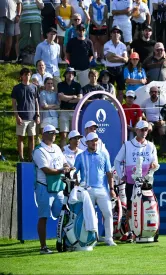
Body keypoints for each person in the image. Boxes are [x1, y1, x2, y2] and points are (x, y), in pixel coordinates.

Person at [113, 120, 158, 242]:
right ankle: (128, 232)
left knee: (149, 206)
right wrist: (122, 175)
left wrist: (154, 164)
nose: (144, 132)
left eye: (146, 130)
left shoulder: (151, 145)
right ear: (136, 130)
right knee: (130, 208)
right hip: (131, 182)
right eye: (142, 130)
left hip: (146, 183)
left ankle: (150, 231)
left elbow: (155, 162)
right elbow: (117, 161)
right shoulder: (127, 145)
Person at [33, 125, 72, 254]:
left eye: (55, 133)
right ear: (44, 135)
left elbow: (64, 161)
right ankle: (43, 247)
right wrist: (61, 170)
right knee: (43, 217)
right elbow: (46, 170)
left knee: (64, 215)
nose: (54, 135)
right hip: (44, 188)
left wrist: (66, 166)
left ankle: (64, 242)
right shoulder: (38, 150)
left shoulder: (56, 148)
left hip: (58, 187)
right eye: (51, 133)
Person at [74, 132, 117, 246]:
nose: (94, 143)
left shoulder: (104, 155)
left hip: (102, 189)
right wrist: (78, 185)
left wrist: (111, 189)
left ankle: (109, 238)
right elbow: (74, 172)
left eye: (96, 140)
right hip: (87, 190)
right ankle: (93, 239)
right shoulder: (81, 156)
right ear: (87, 143)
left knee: (108, 213)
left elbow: (108, 173)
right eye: (92, 141)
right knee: (90, 215)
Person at [12, 68, 40, 162]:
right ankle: (21, 157)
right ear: (21, 76)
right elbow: (14, 103)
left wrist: (38, 115)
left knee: (31, 137)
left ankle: (31, 157)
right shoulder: (16, 88)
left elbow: (36, 102)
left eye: (28, 74)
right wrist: (17, 116)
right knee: (21, 137)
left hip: (32, 117)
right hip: (21, 117)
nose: (27, 76)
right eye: (25, 74)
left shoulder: (34, 87)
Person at [57, 67, 82, 147]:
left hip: (75, 112)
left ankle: (74, 152)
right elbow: (61, 97)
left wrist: (67, 99)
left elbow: (80, 98)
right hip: (64, 111)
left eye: (72, 73)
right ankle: (63, 153)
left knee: (74, 135)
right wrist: (73, 97)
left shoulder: (77, 85)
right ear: (65, 74)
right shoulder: (60, 84)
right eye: (68, 73)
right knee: (63, 135)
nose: (70, 75)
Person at [104, 25, 128, 102]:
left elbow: (126, 60)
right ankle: (110, 108)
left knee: (120, 91)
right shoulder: (107, 44)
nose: (116, 33)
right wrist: (121, 58)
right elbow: (109, 59)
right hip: (110, 69)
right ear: (111, 34)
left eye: (118, 32)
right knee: (109, 91)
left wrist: (114, 55)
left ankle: (118, 109)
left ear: (120, 35)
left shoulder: (123, 45)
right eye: (114, 32)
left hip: (120, 69)